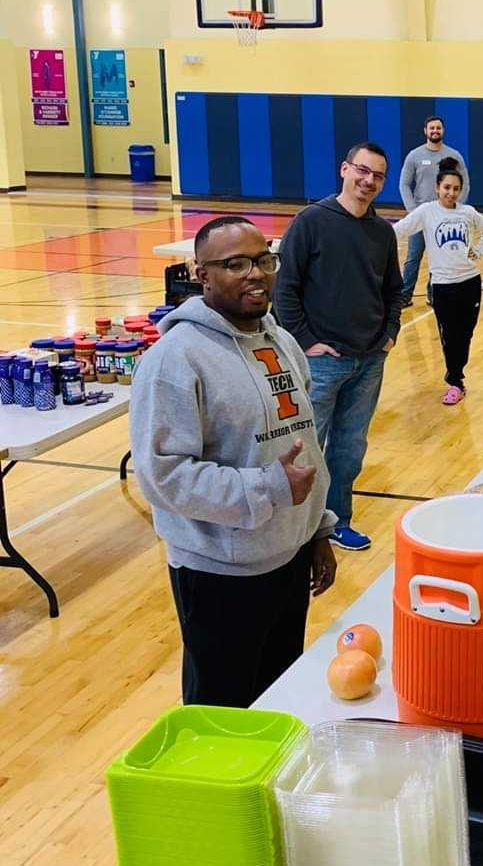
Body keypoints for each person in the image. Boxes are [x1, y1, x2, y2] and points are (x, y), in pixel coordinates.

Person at [130, 216, 338, 708]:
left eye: (264, 260)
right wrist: (268, 488)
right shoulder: (175, 359)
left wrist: (316, 532)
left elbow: (302, 443)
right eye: (235, 264)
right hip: (219, 574)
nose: (256, 274)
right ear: (201, 275)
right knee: (222, 708)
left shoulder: (282, 341)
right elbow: (164, 477)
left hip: (287, 559)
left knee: (278, 694)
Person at [273, 141, 402, 551]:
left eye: (377, 176)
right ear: (345, 169)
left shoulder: (382, 232)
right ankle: (298, 529)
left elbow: (394, 290)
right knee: (307, 449)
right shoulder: (311, 221)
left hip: (369, 360)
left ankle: (337, 521)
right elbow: (285, 289)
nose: (368, 181)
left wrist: (390, 333)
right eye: (362, 171)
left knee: (349, 450)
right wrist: (306, 342)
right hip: (322, 362)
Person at [394, 158, 483, 405]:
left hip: (470, 282)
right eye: (447, 187)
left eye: (455, 189)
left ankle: (457, 373)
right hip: (443, 286)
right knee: (449, 335)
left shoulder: (467, 212)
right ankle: (455, 381)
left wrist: (479, 251)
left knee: (465, 334)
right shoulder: (427, 211)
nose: (451, 193)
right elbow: (399, 229)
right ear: (437, 188)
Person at [399, 116, 470, 307]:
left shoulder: (454, 155)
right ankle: (405, 295)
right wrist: (413, 211)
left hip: (445, 217)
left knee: (440, 258)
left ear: (443, 130)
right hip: (421, 216)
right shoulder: (414, 155)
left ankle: (434, 294)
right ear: (425, 131)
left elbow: (465, 184)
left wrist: (455, 209)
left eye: (438, 128)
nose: (435, 131)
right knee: (413, 257)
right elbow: (404, 184)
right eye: (432, 128)